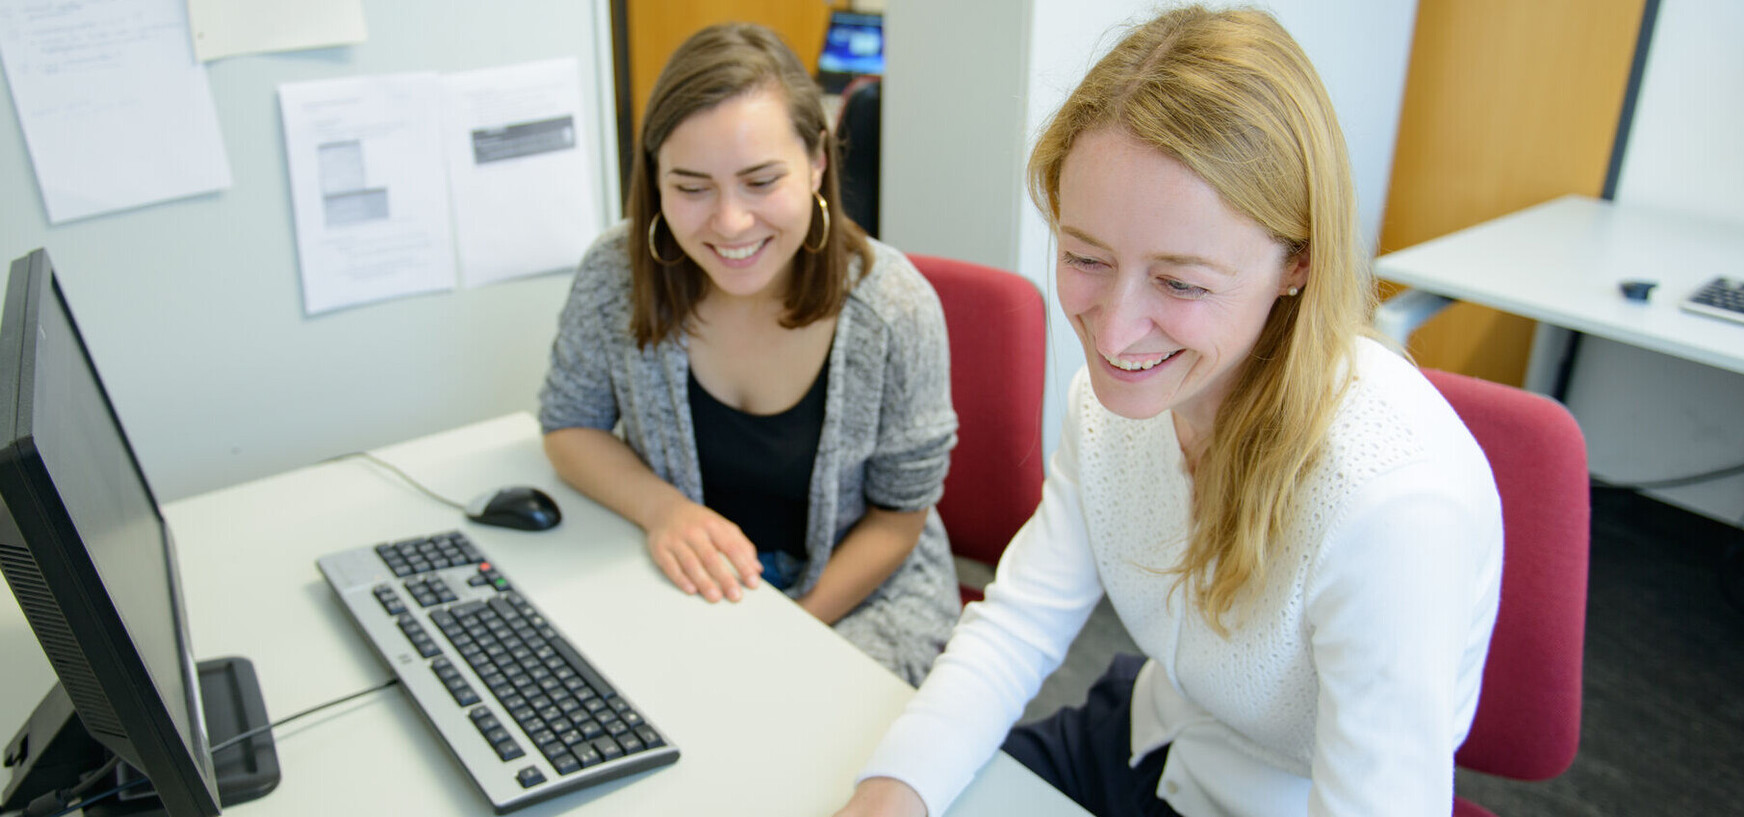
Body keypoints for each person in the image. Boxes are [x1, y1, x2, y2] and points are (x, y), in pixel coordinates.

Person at [836, 6, 1503, 816]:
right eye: (1085, 256)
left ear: (1299, 262)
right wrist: (890, 793)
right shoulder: (1118, 408)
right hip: (1146, 735)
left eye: (1181, 283)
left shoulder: (1392, 503)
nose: (1115, 334)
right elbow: (1018, 624)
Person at [537, 23, 960, 685]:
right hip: (684, 579)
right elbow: (570, 425)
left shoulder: (894, 309)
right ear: (655, 177)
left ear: (817, 161)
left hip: (858, 599)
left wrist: (784, 630)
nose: (730, 222)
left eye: (761, 181)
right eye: (692, 187)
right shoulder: (616, 275)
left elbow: (898, 522)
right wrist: (664, 509)